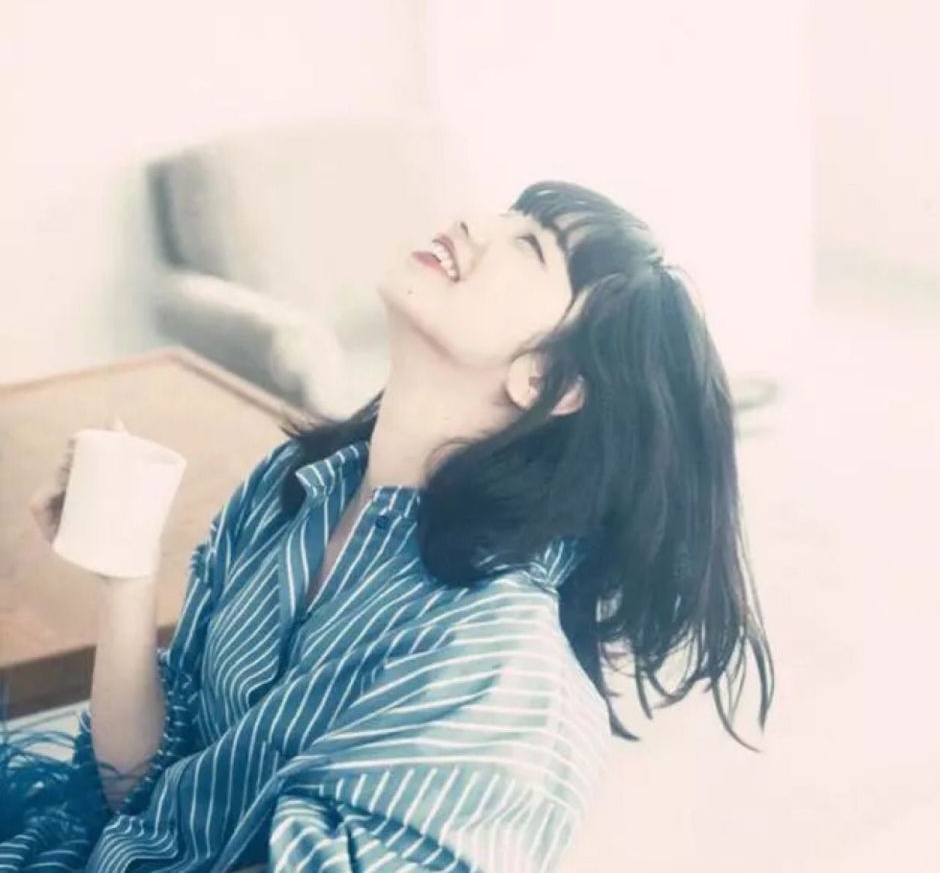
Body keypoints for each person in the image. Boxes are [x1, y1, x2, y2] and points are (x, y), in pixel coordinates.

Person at [0, 180, 774, 871]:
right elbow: (140, 791)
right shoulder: (293, 488)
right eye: (503, 213)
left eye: (530, 246)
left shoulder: (499, 673)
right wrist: (126, 575)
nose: (473, 222)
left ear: (548, 378)